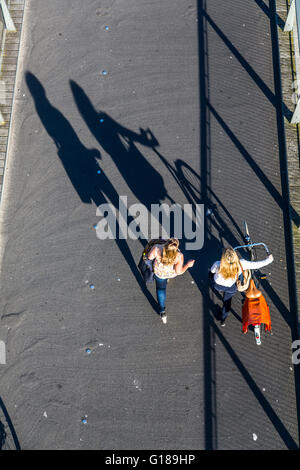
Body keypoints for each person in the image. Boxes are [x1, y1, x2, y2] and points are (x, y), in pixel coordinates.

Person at [210, 247, 273, 326]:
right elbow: (257, 265)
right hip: (231, 287)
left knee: (211, 278)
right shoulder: (242, 263)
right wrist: (269, 259)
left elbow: (212, 271)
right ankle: (223, 318)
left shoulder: (217, 264)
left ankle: (214, 289)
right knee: (227, 302)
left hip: (218, 285)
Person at [148, 238, 195, 323]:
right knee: (164, 283)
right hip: (170, 273)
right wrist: (188, 265)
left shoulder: (157, 248)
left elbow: (149, 257)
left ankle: (162, 310)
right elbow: (179, 271)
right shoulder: (179, 256)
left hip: (159, 273)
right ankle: (166, 280)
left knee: (160, 289)